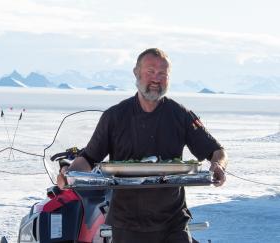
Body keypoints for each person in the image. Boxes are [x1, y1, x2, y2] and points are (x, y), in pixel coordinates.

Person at [57, 48, 228, 243]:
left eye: (162, 73)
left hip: (172, 222)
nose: (156, 79)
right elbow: (88, 158)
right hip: (127, 224)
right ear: (136, 73)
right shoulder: (114, 116)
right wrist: (68, 174)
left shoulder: (180, 115)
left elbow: (216, 151)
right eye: (150, 71)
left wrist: (219, 165)